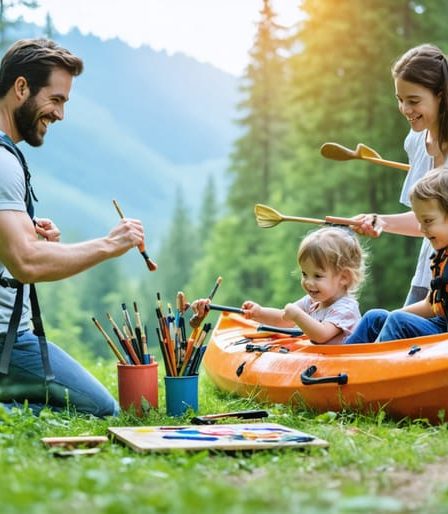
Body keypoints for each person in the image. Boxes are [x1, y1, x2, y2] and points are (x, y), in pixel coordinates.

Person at [0, 39, 146, 416]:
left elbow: (20, 252)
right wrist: (109, 245)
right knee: (101, 409)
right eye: (57, 99)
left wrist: (28, 233)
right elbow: (27, 264)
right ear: (21, 88)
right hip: (7, 341)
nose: (61, 114)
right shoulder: (3, 161)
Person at [354, 44, 448, 306]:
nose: (405, 109)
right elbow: (426, 220)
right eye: (400, 99)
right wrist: (380, 221)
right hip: (428, 275)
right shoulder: (416, 141)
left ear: (440, 95)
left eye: (414, 101)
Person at [193, 227, 366, 344]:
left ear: (343, 278)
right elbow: (283, 318)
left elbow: (321, 335)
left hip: (345, 367)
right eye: (304, 274)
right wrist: (259, 313)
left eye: (318, 276)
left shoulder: (345, 308)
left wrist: (298, 315)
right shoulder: (312, 302)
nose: (308, 282)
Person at [346, 167, 448, 344]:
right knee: (376, 318)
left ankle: (372, 368)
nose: (422, 229)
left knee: (398, 322)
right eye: (419, 221)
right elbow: (430, 305)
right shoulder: (441, 257)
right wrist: (392, 317)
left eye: (428, 221)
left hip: (444, 335)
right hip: (438, 324)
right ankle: (342, 362)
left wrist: (396, 320)